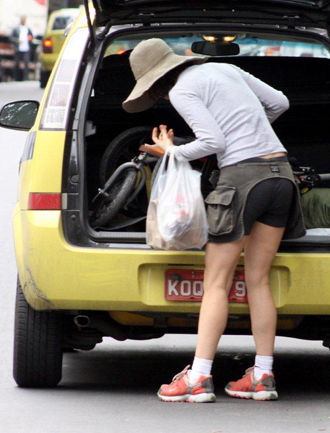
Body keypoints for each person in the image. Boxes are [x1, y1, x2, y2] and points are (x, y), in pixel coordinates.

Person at [121, 38, 305, 403]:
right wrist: (249, 131)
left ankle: (199, 378)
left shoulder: (182, 90)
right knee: (258, 280)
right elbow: (280, 103)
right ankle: (263, 375)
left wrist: (172, 151)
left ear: (158, 81)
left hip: (241, 181)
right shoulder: (227, 69)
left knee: (217, 283)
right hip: (281, 175)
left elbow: (212, 141)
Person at [11, 16, 33, 81]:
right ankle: (16, 77)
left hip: (26, 48)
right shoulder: (16, 29)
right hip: (18, 48)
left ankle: (25, 78)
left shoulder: (27, 29)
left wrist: (29, 40)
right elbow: (11, 38)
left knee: (26, 63)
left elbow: (31, 37)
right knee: (17, 63)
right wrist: (17, 41)